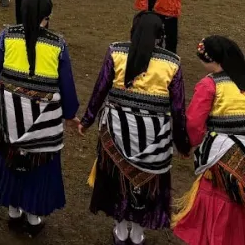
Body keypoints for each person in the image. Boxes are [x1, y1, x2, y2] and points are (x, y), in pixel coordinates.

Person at [0, 0, 80, 237]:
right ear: (47, 16)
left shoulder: (6, 37)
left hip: (8, 116)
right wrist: (71, 113)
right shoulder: (57, 44)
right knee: (38, 165)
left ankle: (12, 211)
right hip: (44, 122)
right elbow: (67, 83)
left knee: (9, 158)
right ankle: (33, 216)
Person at [78, 13, 190, 245]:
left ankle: (120, 229)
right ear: (160, 37)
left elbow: (100, 90)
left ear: (133, 30)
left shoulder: (116, 53)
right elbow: (178, 109)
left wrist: (87, 121)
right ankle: (138, 233)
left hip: (116, 132)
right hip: (155, 138)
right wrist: (182, 143)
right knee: (146, 184)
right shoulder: (172, 63)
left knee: (116, 179)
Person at [173, 36, 245, 245]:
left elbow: (194, 124)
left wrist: (188, 144)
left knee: (221, 205)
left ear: (211, 60)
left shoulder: (209, 84)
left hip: (222, 155)